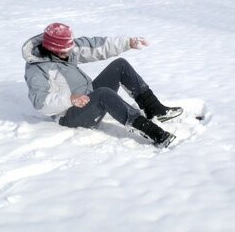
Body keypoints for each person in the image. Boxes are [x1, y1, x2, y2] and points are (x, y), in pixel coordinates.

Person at [22, 23, 183, 148]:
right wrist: (70, 99)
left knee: (120, 65)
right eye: (65, 51)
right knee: (103, 94)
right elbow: (40, 102)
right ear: (52, 49)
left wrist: (128, 43)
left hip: (87, 98)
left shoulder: (66, 49)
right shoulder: (37, 69)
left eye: (70, 48)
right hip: (69, 116)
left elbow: (93, 46)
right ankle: (151, 131)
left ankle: (155, 109)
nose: (70, 52)